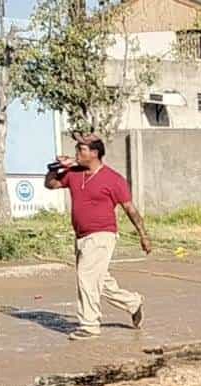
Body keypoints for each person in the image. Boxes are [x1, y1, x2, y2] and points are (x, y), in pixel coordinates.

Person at [45, 135, 152, 341]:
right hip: (81, 235)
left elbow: (130, 209)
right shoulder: (73, 173)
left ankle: (89, 325)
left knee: (86, 276)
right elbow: (51, 185)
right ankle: (132, 302)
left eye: (81, 150)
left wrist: (143, 235)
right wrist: (54, 167)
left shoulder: (113, 179)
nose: (77, 154)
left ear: (94, 153)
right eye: (77, 150)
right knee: (99, 280)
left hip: (103, 235)